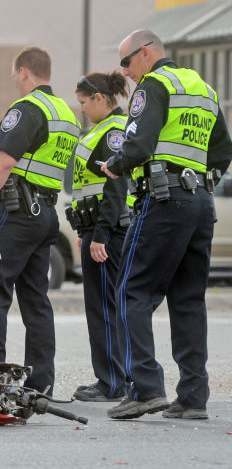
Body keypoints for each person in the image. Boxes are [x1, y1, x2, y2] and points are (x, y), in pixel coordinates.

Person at [101, 29, 232, 419]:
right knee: (189, 299)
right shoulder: (204, 89)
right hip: (200, 203)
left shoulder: (153, 84)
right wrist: (201, 180)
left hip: (163, 200)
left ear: (145, 53)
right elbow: (223, 150)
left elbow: (138, 144)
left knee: (131, 291)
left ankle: (146, 390)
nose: (125, 72)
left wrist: (115, 165)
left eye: (126, 62)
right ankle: (193, 398)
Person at [0, 46, 80, 395]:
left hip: (17, 212)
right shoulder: (66, 113)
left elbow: (6, 164)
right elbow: (34, 154)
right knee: (36, 300)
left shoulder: (28, 107)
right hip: (45, 214)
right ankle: (40, 383)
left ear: (24, 72)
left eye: (15, 74)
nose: (14, 80)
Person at [67, 72, 132, 402]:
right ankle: (115, 378)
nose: (81, 109)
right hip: (97, 228)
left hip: (109, 230)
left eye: (83, 103)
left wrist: (101, 235)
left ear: (100, 99)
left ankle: (112, 382)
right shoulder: (101, 132)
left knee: (104, 308)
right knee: (105, 305)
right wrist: (85, 231)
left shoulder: (112, 134)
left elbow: (116, 187)